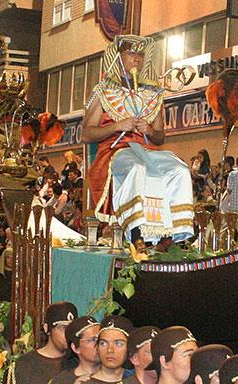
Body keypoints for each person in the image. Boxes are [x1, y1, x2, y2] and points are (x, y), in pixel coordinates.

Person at [80, 35, 194, 243]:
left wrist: (149, 130)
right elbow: (86, 134)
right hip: (114, 153)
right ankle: (135, 233)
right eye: (131, 53)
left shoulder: (152, 95)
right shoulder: (104, 91)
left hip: (145, 151)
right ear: (118, 56)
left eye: (140, 55)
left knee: (179, 169)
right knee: (137, 168)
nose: (137, 59)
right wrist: (118, 125)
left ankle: (175, 235)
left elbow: (159, 137)